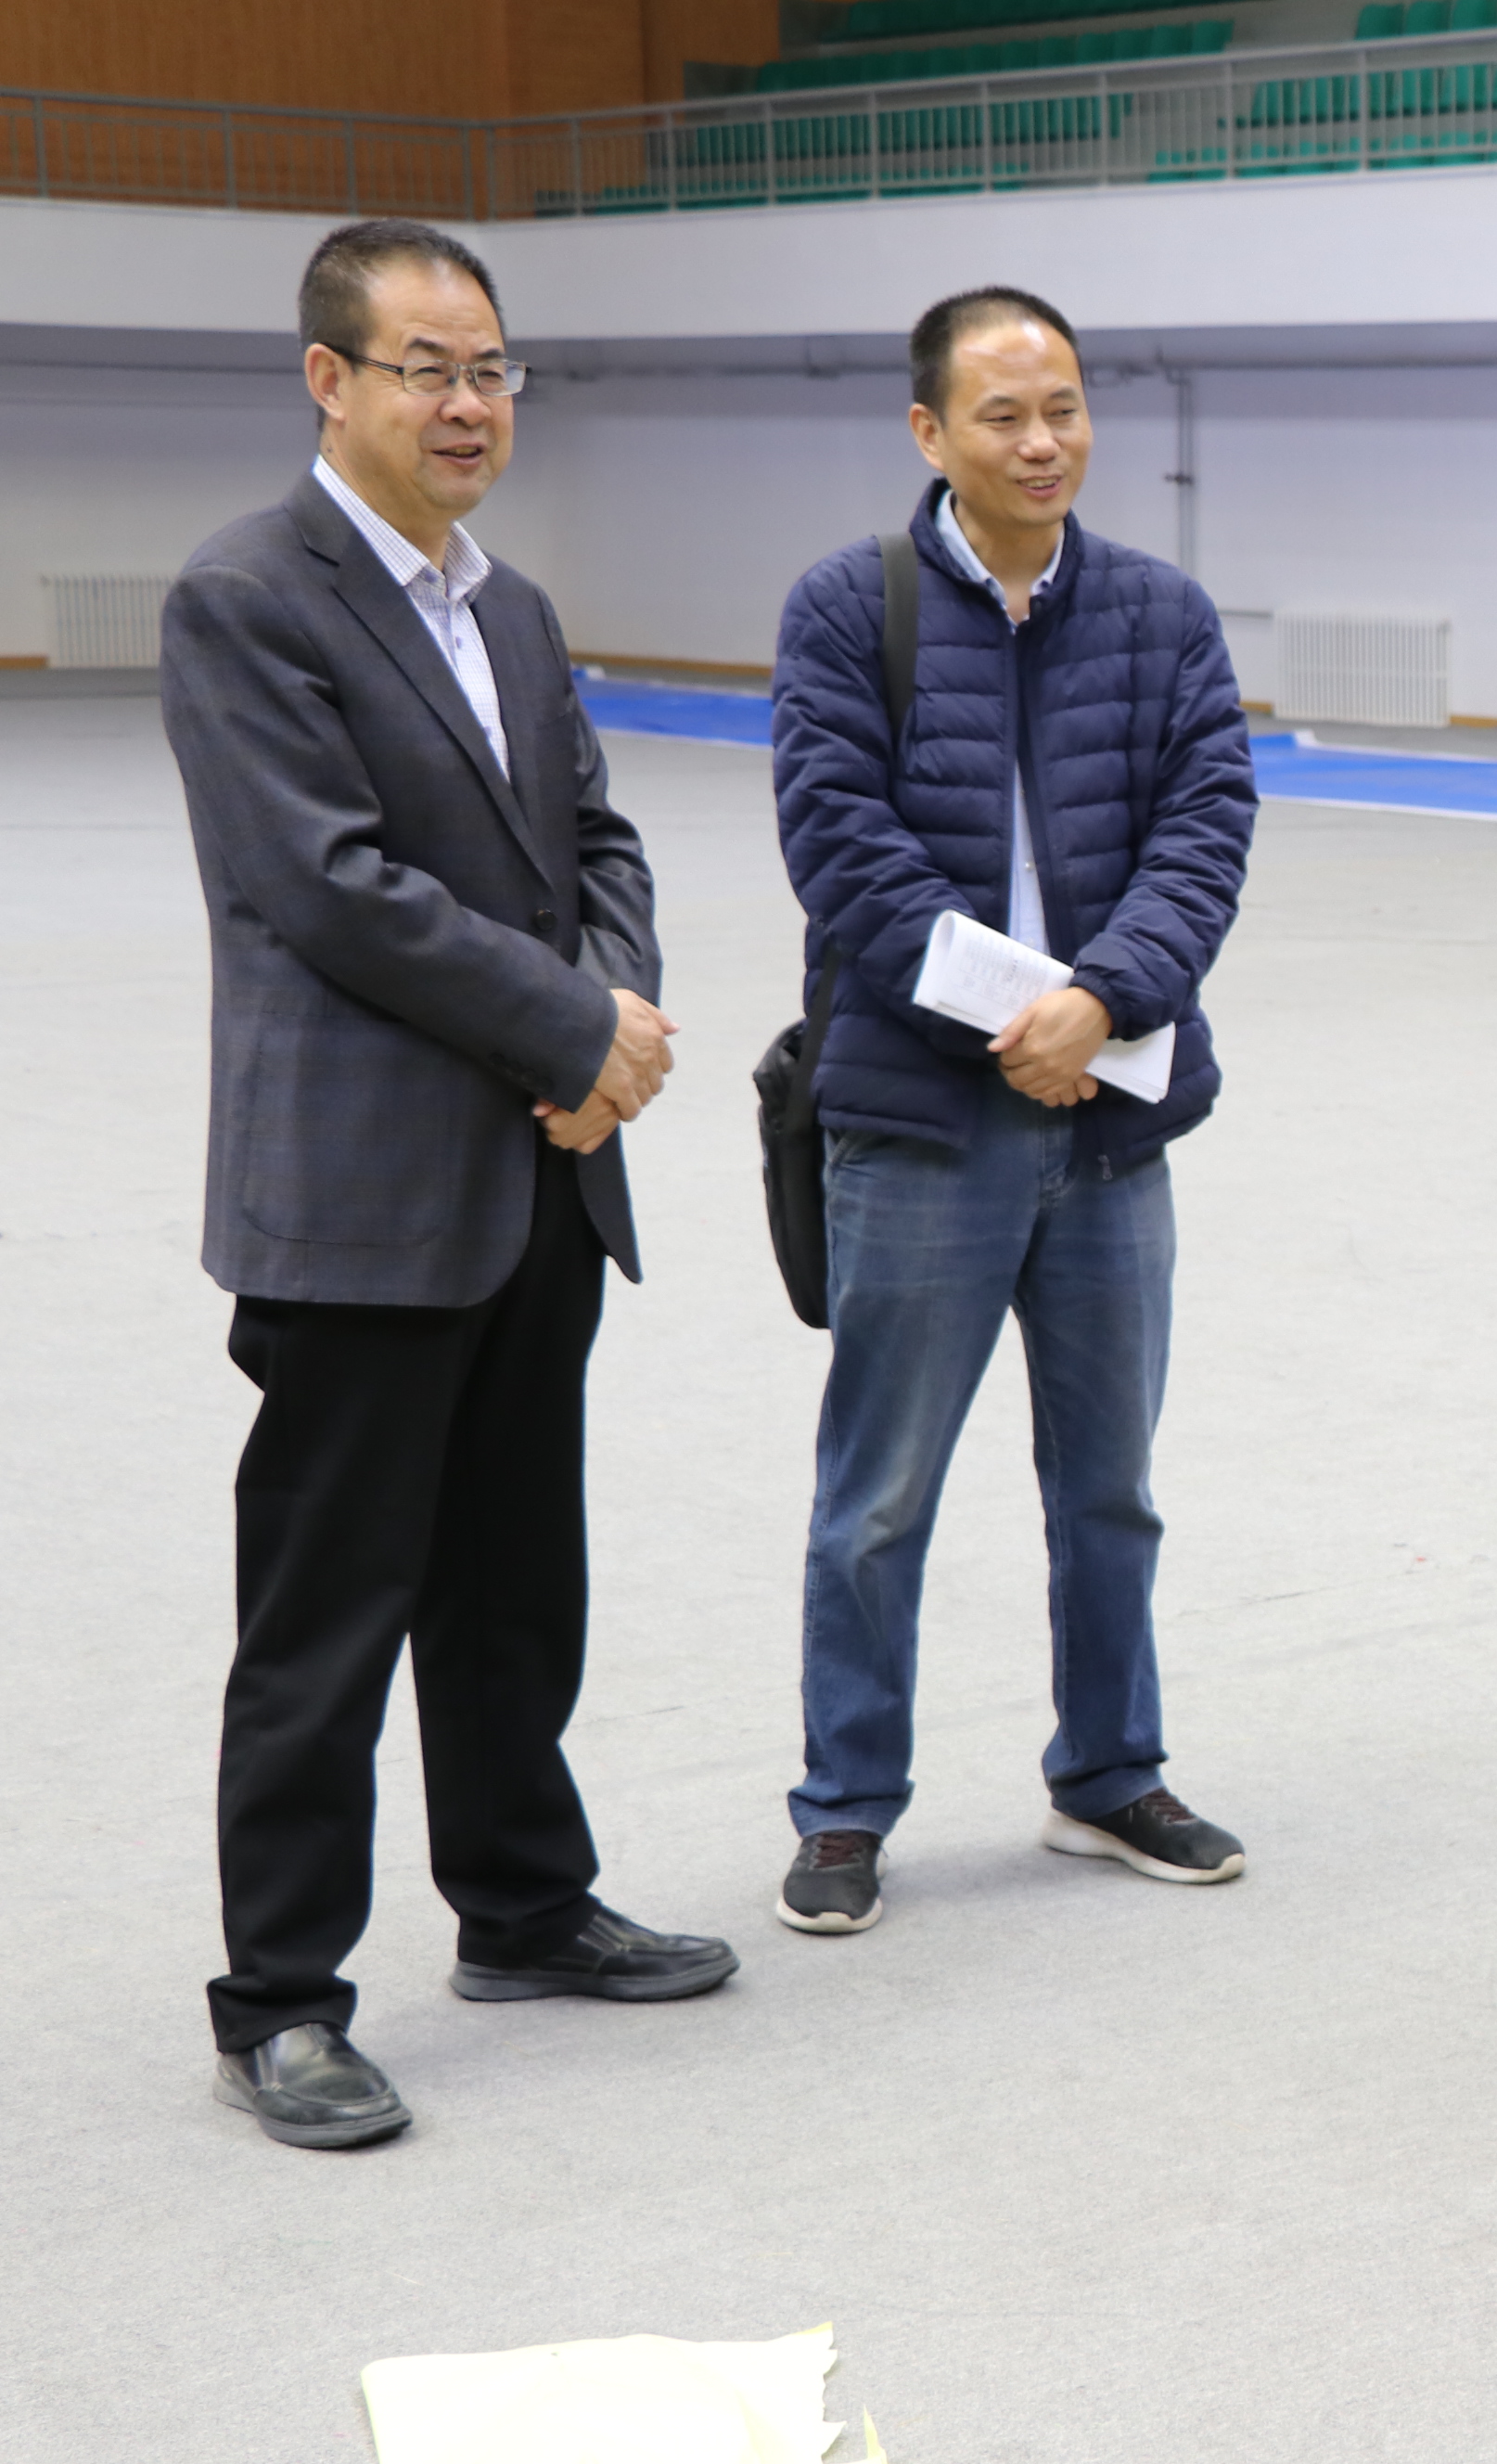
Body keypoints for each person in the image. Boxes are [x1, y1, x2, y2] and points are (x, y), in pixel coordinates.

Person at [163, 219, 735, 2151]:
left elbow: (596, 838)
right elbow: (330, 888)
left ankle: (523, 1901)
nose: (470, 401)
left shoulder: (516, 608)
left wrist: (612, 1014)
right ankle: (281, 2000)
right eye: (428, 367)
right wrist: (570, 1033)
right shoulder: (248, 597)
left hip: (538, 1176)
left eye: (491, 366)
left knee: (513, 1580)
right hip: (362, 1199)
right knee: (326, 1616)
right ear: (329, 381)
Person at [765, 286, 1259, 1934]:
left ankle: (1110, 1772)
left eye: (1063, 409)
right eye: (1002, 415)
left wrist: (1105, 1001)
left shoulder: (1161, 612)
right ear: (930, 432)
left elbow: (1206, 825)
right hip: (924, 1122)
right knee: (879, 1495)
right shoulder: (851, 607)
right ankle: (846, 1803)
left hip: (1111, 1121)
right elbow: (839, 842)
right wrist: (1015, 1022)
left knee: (1110, 1486)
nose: (1042, 441)